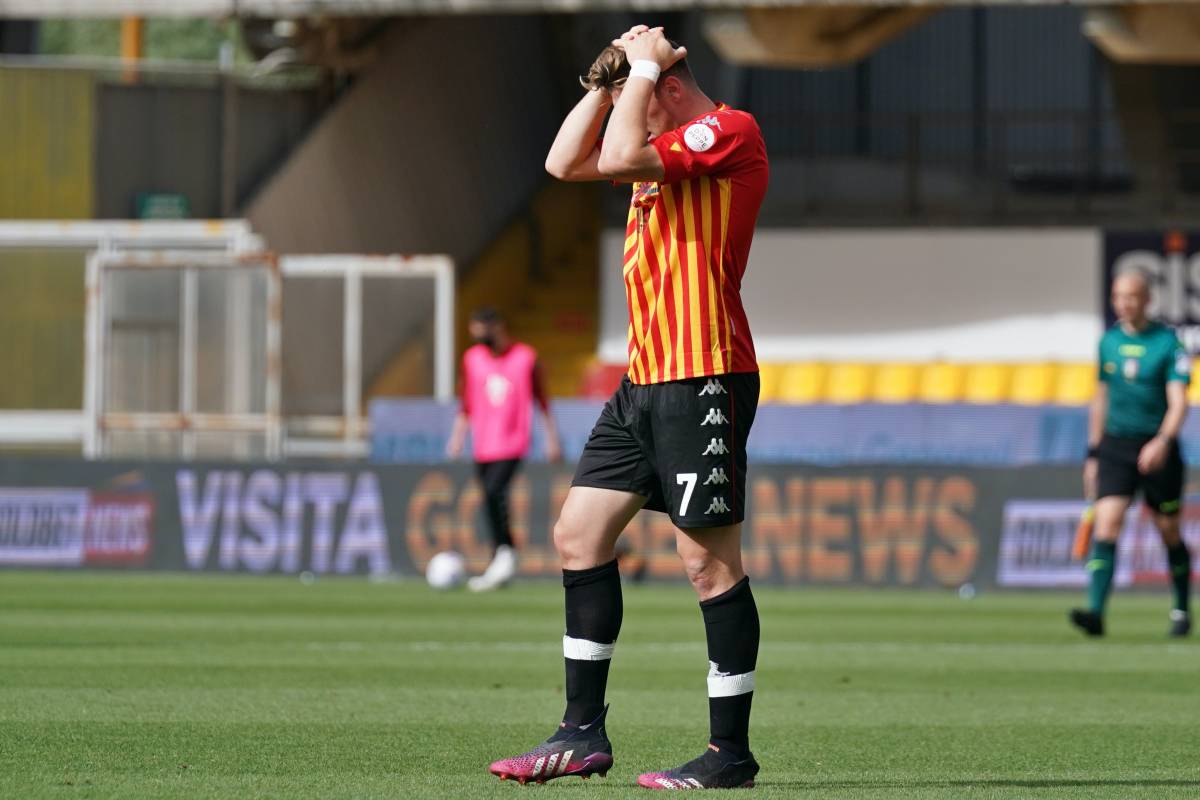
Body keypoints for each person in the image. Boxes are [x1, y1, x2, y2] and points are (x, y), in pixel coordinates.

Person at [487, 25, 768, 790]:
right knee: (578, 532)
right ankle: (581, 732)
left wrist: (643, 70)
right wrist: (605, 83)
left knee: (707, 567)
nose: (624, 118)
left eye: (637, 101)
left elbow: (612, 157)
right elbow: (563, 162)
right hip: (645, 383)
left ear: (670, 89)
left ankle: (730, 754)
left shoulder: (728, 130)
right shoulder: (651, 146)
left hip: (703, 374)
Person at [1071, 267, 1192, 638]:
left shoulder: (1169, 344)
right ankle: (1095, 613)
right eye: (1118, 296)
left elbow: (1179, 402)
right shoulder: (1107, 343)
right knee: (1106, 524)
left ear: (1147, 299)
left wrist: (1162, 441)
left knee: (1168, 530)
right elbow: (1100, 399)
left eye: (1131, 296)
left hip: (1157, 446)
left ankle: (1181, 608)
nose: (1123, 303)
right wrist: (1093, 454)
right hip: (1116, 446)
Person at [446, 307, 561, 592]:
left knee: (495, 491)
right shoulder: (472, 360)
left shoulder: (525, 358)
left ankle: (506, 551)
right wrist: (458, 437)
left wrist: (551, 438)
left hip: (512, 440)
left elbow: (541, 399)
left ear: (497, 328)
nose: (480, 339)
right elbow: (467, 402)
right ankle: (500, 554)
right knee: (488, 497)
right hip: (482, 442)